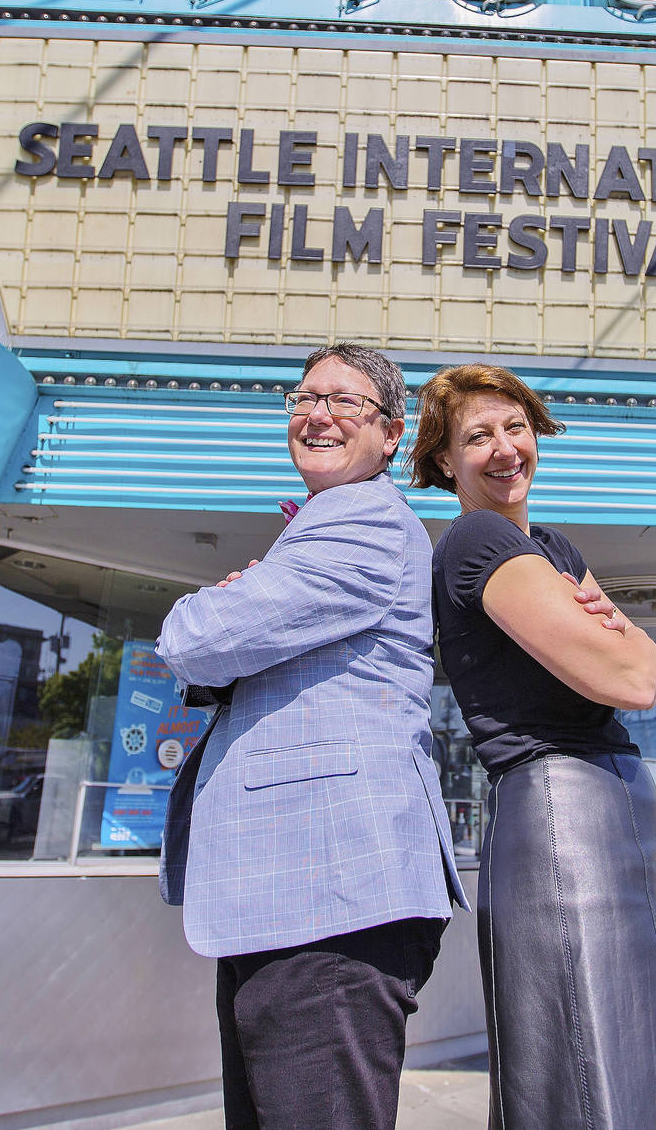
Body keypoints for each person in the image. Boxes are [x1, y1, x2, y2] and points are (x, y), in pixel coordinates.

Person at [410, 363, 656, 1130]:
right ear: (443, 461)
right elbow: (627, 675)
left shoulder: (552, 542)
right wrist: (617, 638)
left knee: (655, 1046)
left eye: (515, 426)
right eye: (477, 435)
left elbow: (648, 664)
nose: (504, 448)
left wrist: (626, 644)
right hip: (563, 810)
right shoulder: (475, 537)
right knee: (592, 1055)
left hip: (615, 799)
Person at [157, 344, 467, 1130]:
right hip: (299, 902)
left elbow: (198, 640)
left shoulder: (361, 518)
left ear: (392, 434)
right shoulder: (324, 528)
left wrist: (216, 606)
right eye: (304, 397)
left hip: (332, 900)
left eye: (345, 401)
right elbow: (235, 658)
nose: (318, 413)